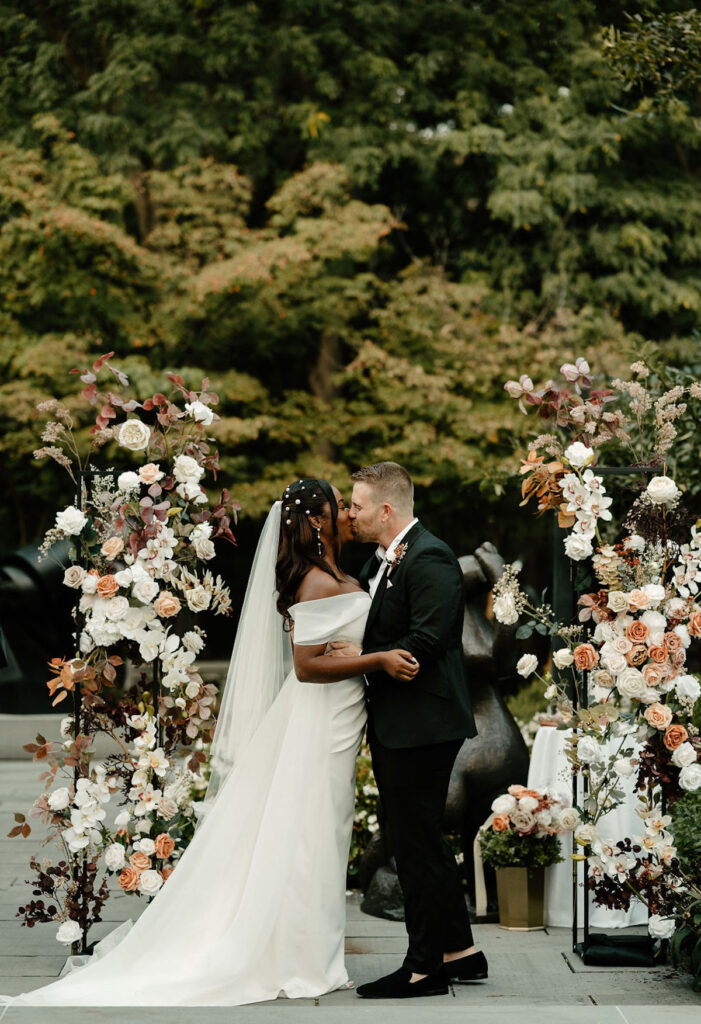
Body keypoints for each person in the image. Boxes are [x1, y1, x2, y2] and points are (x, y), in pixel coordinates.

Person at [0, 477, 418, 1010]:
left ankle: (311, 946)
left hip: (337, 720)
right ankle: (300, 955)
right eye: (338, 505)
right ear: (315, 520)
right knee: (311, 831)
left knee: (323, 830)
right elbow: (309, 666)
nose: (345, 512)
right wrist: (375, 660)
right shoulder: (314, 580)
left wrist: (358, 653)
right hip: (316, 719)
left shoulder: (339, 573)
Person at [330, 461, 488, 999]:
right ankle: (461, 952)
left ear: (386, 509)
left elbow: (432, 636)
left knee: (414, 845)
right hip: (405, 720)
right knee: (420, 839)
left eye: (357, 505)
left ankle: (424, 968)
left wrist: (366, 658)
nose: (351, 513)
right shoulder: (386, 560)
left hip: (423, 721)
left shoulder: (431, 556)